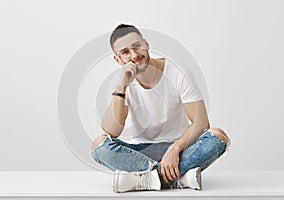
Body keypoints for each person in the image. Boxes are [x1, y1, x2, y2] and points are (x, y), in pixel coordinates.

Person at [91, 24, 230, 193]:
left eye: (137, 46)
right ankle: (177, 179)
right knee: (99, 145)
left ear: (146, 44)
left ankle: (145, 179)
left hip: (178, 149)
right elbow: (111, 132)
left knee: (218, 136)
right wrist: (122, 87)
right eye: (125, 52)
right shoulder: (121, 83)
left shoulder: (178, 72)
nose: (134, 55)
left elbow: (201, 123)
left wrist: (175, 149)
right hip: (139, 153)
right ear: (118, 59)